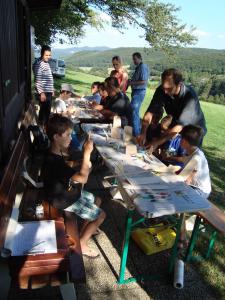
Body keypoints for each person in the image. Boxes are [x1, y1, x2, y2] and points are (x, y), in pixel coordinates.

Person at [42, 114, 106, 258]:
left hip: (64, 191)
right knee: (101, 215)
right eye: (68, 135)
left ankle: (85, 231)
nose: (71, 138)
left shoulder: (54, 152)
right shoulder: (54, 160)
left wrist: (77, 164)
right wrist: (87, 154)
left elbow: (65, 168)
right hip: (62, 200)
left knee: (97, 200)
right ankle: (82, 244)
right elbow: (83, 179)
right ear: (56, 137)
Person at [139, 68, 207, 148]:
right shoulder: (162, 90)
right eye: (164, 87)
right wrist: (143, 133)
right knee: (165, 148)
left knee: (186, 155)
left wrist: (157, 142)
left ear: (179, 84)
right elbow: (150, 112)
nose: (165, 92)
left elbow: (179, 126)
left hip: (194, 130)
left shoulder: (189, 96)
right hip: (177, 121)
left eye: (169, 89)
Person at [178, 124, 211, 198]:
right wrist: (170, 158)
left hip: (200, 190)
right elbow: (184, 159)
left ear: (184, 141)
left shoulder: (196, 158)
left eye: (180, 138)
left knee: (176, 194)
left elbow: (183, 179)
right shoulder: (190, 151)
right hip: (193, 185)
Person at [128, 52, 149, 137]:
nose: (134, 61)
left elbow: (144, 81)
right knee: (133, 112)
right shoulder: (139, 67)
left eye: (135, 59)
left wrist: (132, 82)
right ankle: (134, 132)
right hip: (136, 92)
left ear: (140, 58)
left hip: (139, 92)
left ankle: (136, 134)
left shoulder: (143, 67)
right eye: (133, 59)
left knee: (134, 112)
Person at [33, 45, 54, 126]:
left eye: (49, 55)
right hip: (44, 92)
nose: (48, 57)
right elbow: (38, 80)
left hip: (48, 91)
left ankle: (45, 128)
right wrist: (41, 93)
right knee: (44, 112)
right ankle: (42, 128)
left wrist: (52, 89)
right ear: (42, 54)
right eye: (46, 55)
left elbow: (48, 77)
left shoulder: (46, 63)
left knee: (47, 111)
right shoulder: (39, 64)